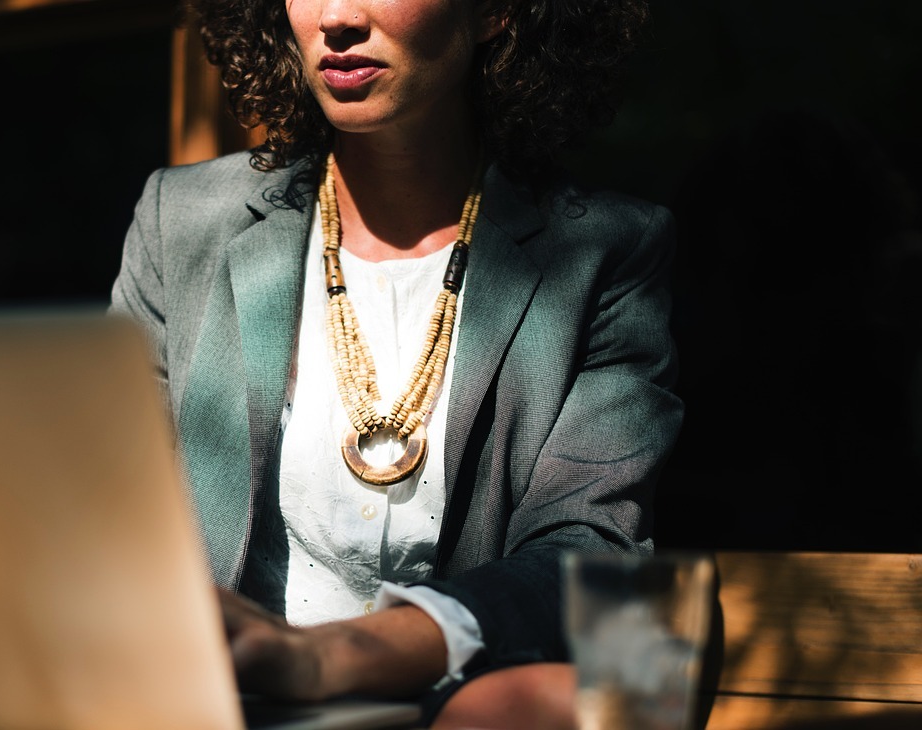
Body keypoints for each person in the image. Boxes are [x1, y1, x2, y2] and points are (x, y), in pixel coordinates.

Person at [111, 0, 680, 727]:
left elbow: (591, 556)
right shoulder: (182, 222)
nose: (338, 17)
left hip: (463, 706)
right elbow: (112, 510)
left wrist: (332, 656)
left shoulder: (607, 252)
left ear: (495, 13)